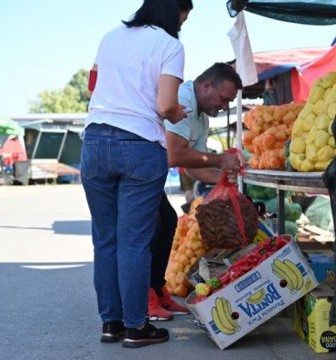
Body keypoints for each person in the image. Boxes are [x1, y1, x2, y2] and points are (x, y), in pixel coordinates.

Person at [81, 0, 193, 348]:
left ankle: (111, 324)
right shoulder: (170, 45)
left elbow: (93, 86)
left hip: (96, 141)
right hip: (139, 145)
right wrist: (176, 113)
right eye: (183, 18)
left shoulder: (110, 37)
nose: (181, 26)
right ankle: (136, 326)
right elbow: (164, 103)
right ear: (173, 12)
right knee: (134, 241)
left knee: (106, 240)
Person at [147, 63, 244, 320]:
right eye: (223, 99)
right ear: (206, 86)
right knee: (150, 230)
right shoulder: (184, 98)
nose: (224, 107)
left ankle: (158, 289)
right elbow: (174, 154)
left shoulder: (201, 118)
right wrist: (220, 160)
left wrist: (224, 180)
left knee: (167, 222)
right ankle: (145, 298)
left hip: (151, 175)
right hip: (138, 171)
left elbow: (192, 167)